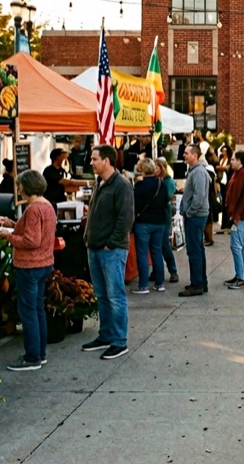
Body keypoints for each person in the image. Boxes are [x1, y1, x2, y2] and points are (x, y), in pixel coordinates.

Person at [0, 170, 57, 371]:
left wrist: (8, 236)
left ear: (26, 187)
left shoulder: (33, 209)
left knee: (28, 311)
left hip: (29, 265)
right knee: (38, 308)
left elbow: (31, 240)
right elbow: (34, 233)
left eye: (20, 185)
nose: (19, 189)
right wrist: (12, 225)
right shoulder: (47, 206)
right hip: (44, 264)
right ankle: (40, 353)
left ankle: (32, 357)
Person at [81, 144, 134, 360]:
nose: (91, 162)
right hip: (94, 247)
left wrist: (111, 243)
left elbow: (126, 218)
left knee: (115, 296)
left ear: (107, 161)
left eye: (95, 159)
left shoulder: (121, 185)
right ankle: (105, 335)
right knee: (101, 295)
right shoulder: (100, 183)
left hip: (110, 250)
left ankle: (119, 341)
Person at [131, 158, 176, 294]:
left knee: (142, 254)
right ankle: (159, 283)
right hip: (159, 222)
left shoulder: (139, 185)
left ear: (143, 169)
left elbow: (134, 204)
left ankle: (143, 285)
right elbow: (166, 201)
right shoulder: (161, 184)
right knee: (157, 252)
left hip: (143, 222)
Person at [177, 144, 213, 297]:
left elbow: (199, 197)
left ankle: (197, 284)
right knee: (197, 249)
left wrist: (189, 212)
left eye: (187, 153)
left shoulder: (198, 172)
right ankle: (200, 282)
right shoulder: (195, 171)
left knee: (194, 251)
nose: (184, 155)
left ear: (195, 155)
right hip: (197, 215)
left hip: (196, 216)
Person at [223, 151, 244, 290]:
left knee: (237, 246)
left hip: (242, 216)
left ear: (240, 161)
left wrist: (236, 216)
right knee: (242, 246)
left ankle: (242, 277)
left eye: (234, 159)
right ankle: (242, 275)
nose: (231, 161)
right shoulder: (240, 173)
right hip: (240, 215)